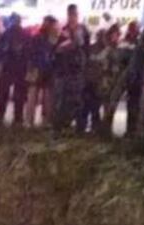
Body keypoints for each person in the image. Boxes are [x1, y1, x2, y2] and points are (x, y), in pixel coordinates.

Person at [52, 3, 89, 133]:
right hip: (64, 69)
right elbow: (56, 49)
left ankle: (79, 127)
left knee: (78, 99)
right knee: (61, 100)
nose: (73, 17)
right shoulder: (63, 30)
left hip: (78, 69)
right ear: (68, 15)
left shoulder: (83, 30)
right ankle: (59, 126)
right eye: (71, 14)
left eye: (75, 14)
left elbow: (86, 48)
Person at [0, 12, 29, 126]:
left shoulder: (7, 34)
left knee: (6, 93)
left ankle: (6, 116)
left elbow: (0, 50)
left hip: (10, 66)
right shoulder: (23, 34)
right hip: (15, 67)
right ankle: (16, 117)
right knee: (16, 93)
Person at [25, 16, 58, 126]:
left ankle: (44, 120)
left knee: (47, 97)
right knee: (33, 95)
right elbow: (31, 53)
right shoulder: (37, 37)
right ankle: (30, 120)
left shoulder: (53, 38)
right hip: (37, 69)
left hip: (48, 69)